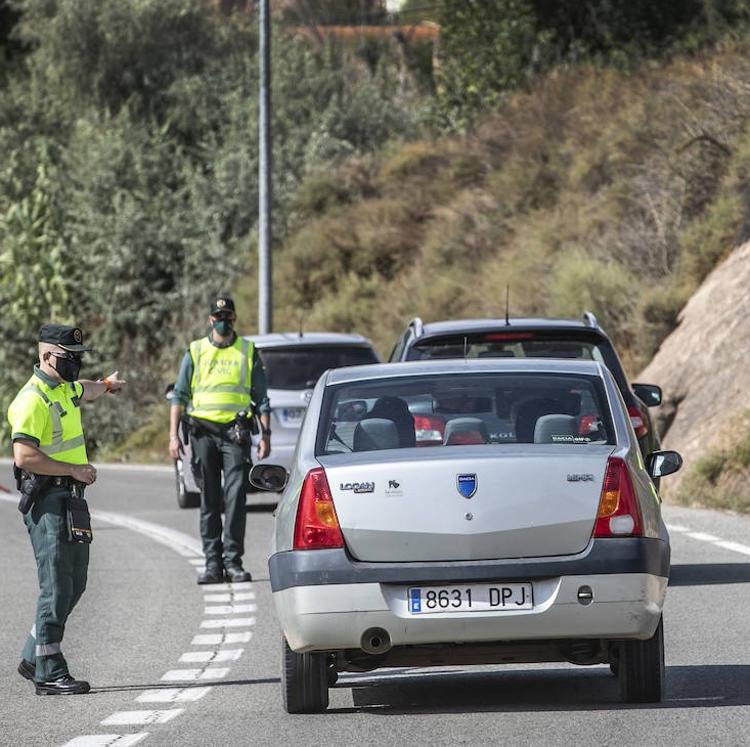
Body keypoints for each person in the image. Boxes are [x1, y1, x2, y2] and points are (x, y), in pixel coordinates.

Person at [7, 324, 126, 695]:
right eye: (67, 357)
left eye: (77, 357)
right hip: (48, 501)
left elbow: (84, 390)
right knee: (56, 586)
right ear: (46, 356)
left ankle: (33, 656)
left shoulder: (64, 388)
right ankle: (49, 671)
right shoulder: (31, 399)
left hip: (71, 499)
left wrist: (105, 385)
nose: (74, 363)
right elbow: (24, 455)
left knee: (75, 584)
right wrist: (74, 469)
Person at [169, 294, 271, 585]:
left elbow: (261, 398)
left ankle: (233, 562)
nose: (222, 322)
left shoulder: (247, 351)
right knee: (209, 498)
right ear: (209, 320)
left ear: (234, 320)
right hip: (202, 433)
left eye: (227, 318)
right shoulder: (196, 351)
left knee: (236, 497)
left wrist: (265, 435)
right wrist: (173, 436)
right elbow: (179, 395)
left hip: (235, 433)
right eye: (218, 318)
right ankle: (213, 564)